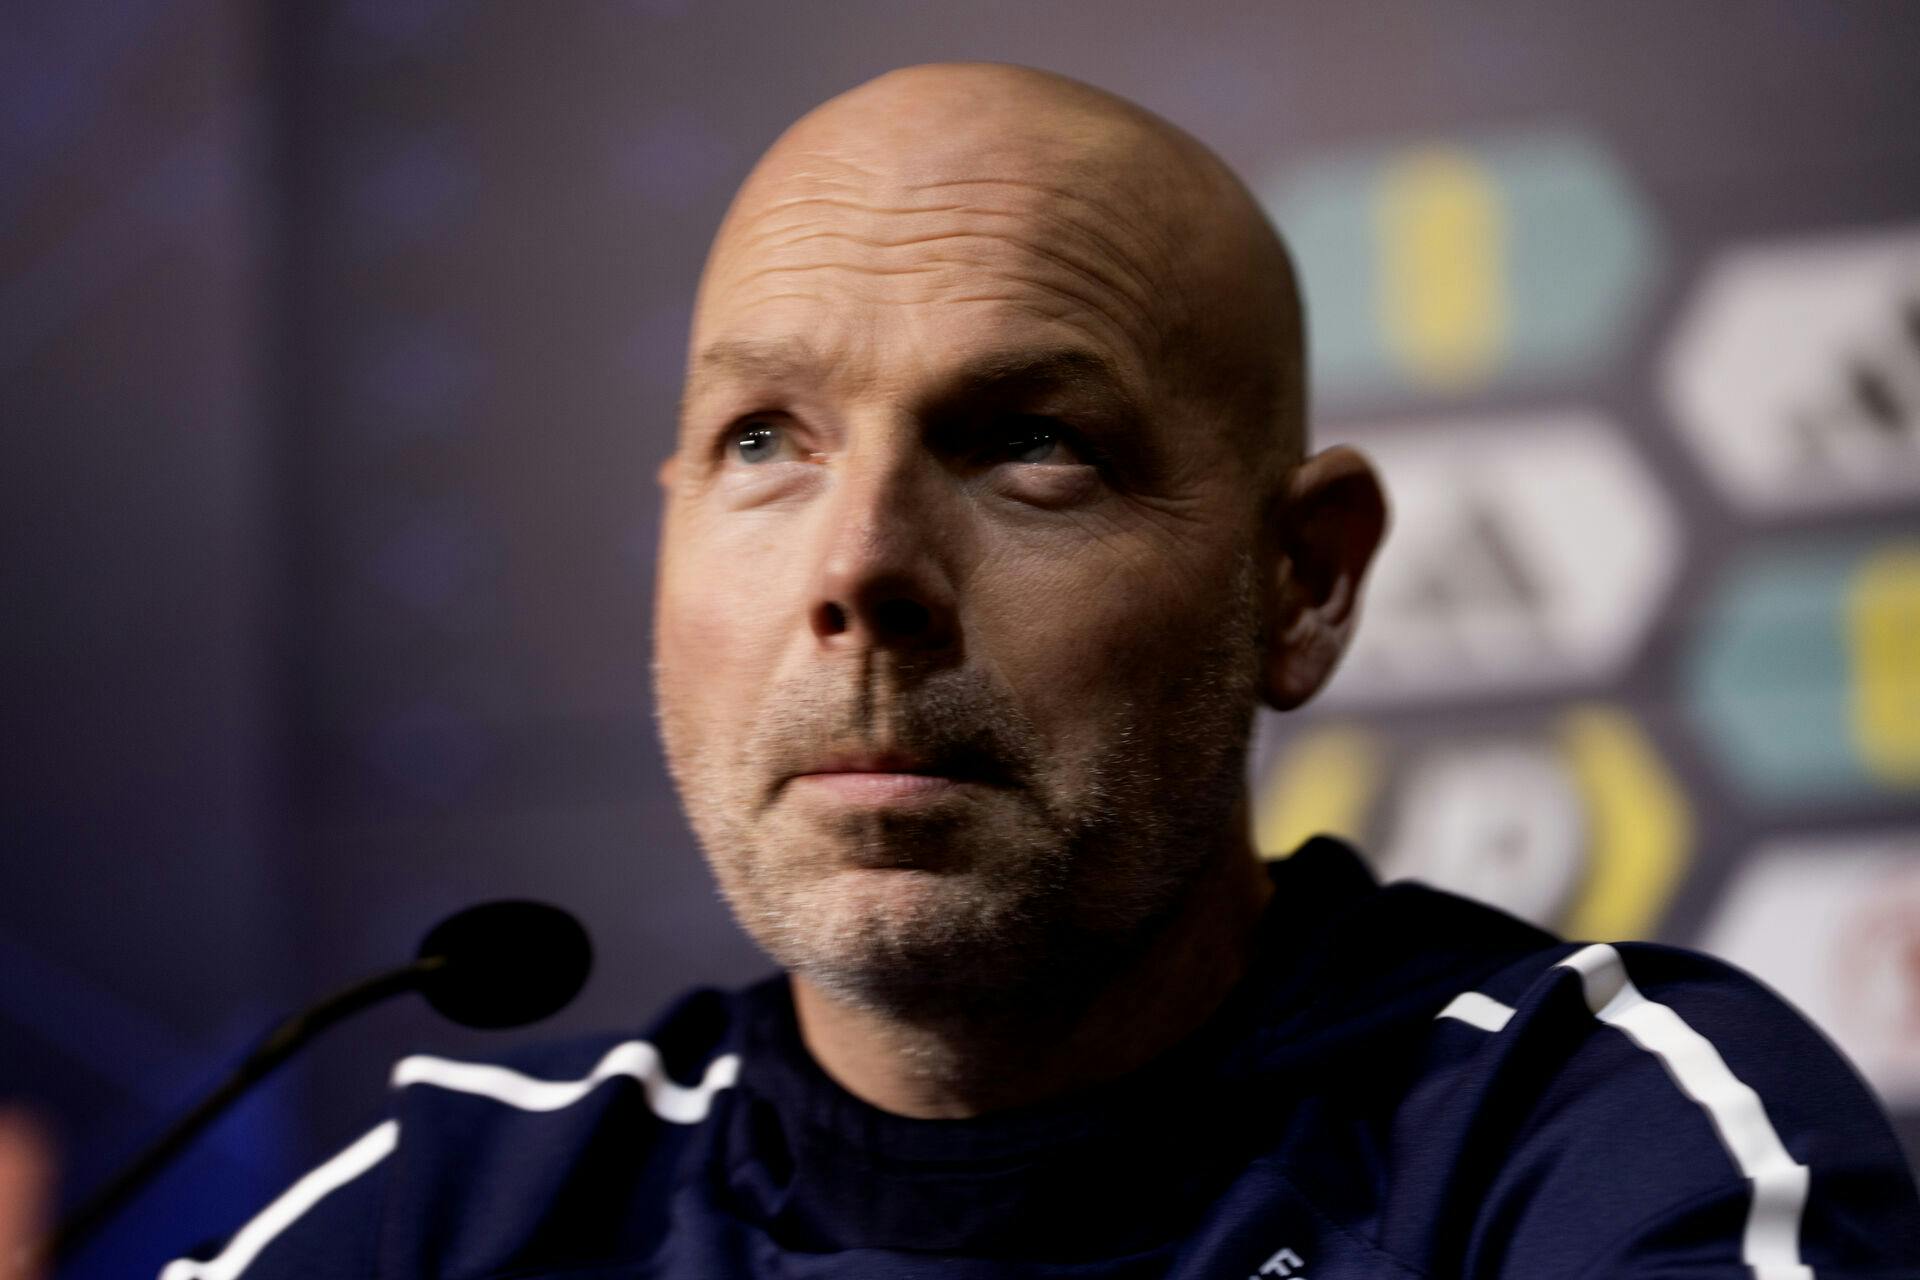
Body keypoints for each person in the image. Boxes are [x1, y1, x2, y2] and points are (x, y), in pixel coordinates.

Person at [150, 63, 1915, 1278]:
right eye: (766, 440)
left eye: (1032, 445)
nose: (858, 573)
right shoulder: (463, 1213)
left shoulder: (1583, 1140)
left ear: (1301, 584)